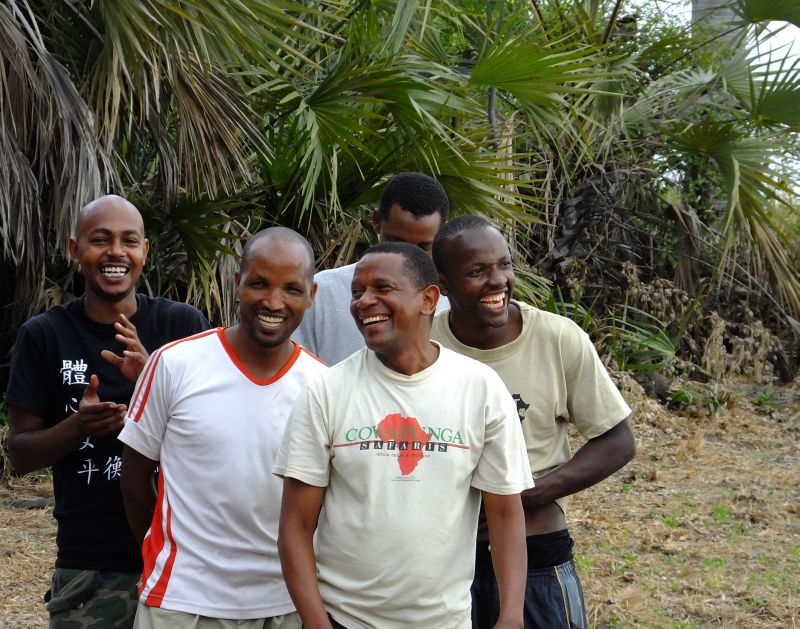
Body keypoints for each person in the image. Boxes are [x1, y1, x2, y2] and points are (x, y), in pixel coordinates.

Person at [275, 242, 533, 629]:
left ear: (428, 299)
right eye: (357, 291)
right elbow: (295, 525)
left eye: (383, 288)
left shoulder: (480, 388)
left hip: (446, 621)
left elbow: (505, 512)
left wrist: (511, 614)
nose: (364, 302)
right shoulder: (326, 391)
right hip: (344, 619)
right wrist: (316, 622)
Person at [5, 195, 211, 629]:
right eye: (100, 240)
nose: (116, 252)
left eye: (129, 241)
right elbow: (20, 455)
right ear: (75, 250)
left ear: (144, 252)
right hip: (90, 566)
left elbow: (216, 435)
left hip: (181, 557)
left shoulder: (182, 326)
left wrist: (152, 380)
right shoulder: (44, 335)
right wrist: (77, 426)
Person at [430, 215, 637, 629]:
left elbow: (618, 440)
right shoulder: (424, 343)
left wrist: (526, 495)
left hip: (538, 553)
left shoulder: (557, 338)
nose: (498, 281)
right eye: (477, 271)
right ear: (443, 285)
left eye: (504, 265)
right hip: (443, 560)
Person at [119, 227, 326, 629]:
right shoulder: (174, 364)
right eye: (259, 284)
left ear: (311, 294)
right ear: (237, 283)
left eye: (291, 289)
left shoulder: (324, 385)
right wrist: (171, 555)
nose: (273, 302)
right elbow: (135, 476)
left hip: (285, 603)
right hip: (182, 603)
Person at [292, 172, 450, 364]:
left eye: (422, 248)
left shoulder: (453, 299)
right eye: (396, 244)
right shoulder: (323, 293)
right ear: (376, 221)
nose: (407, 259)